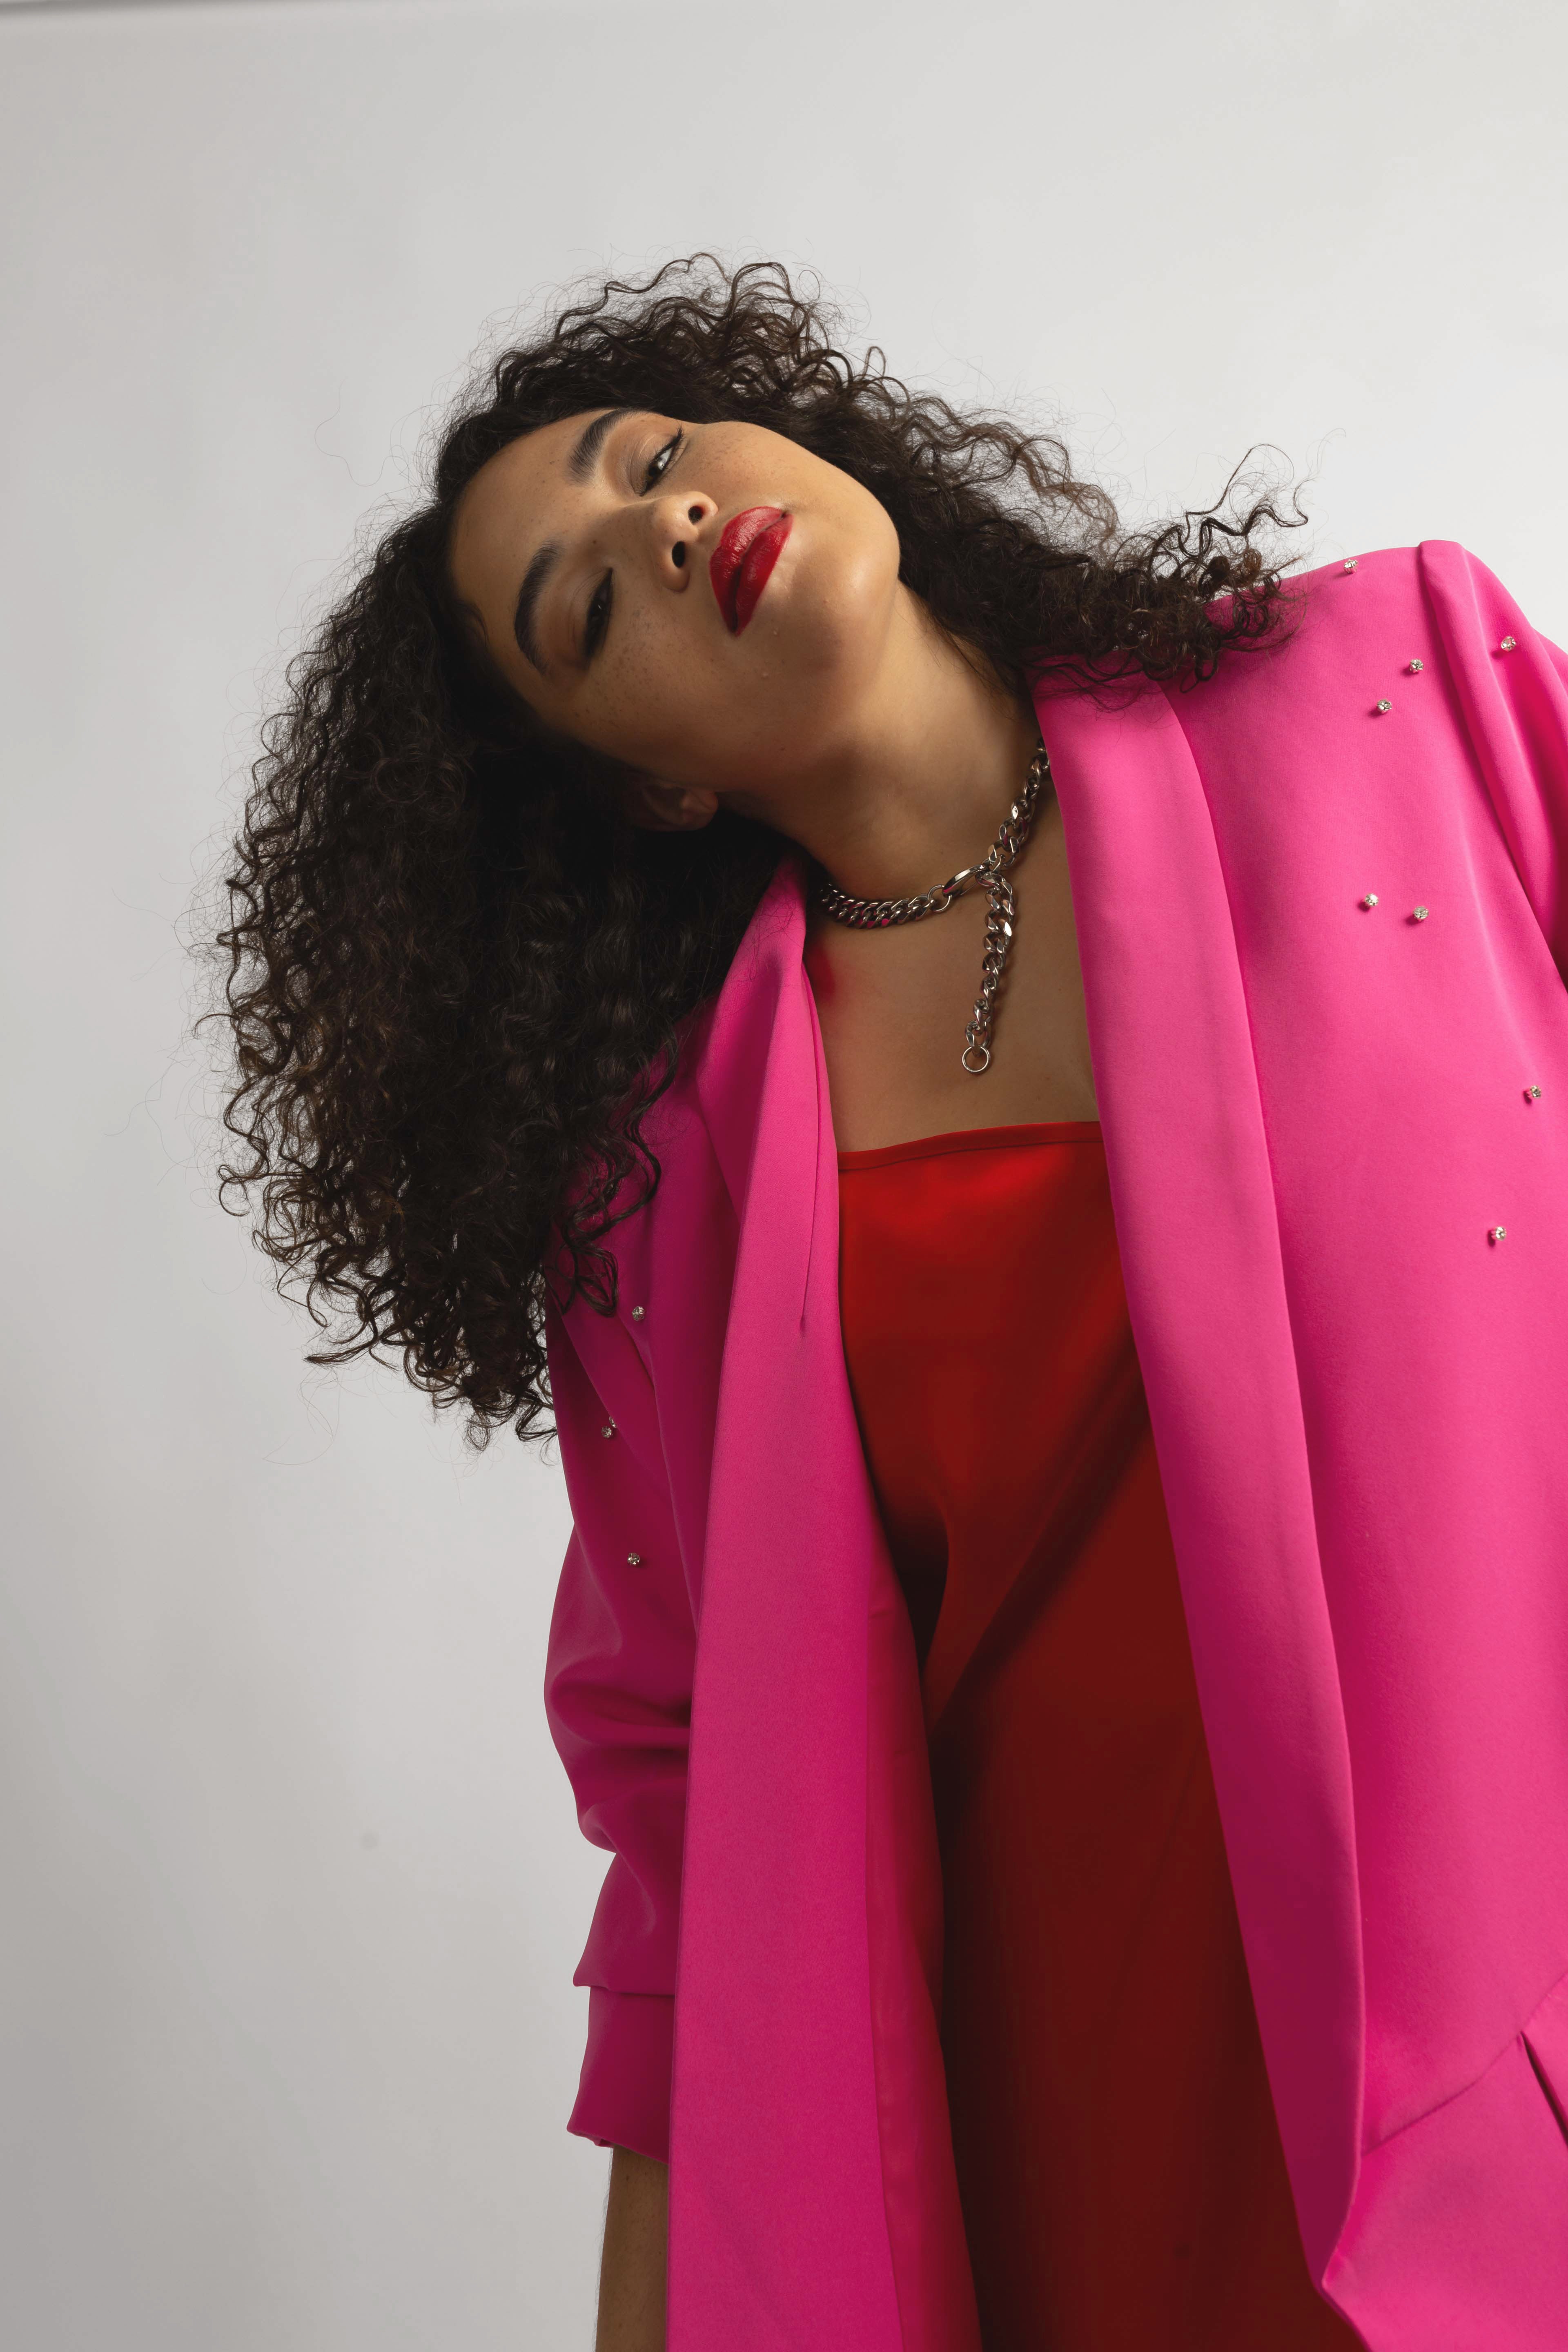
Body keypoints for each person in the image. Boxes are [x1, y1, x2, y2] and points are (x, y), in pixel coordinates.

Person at [216, 257, 1568, 2352]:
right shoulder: (659, 1199)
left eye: (655, 459)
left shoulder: (1407, 681)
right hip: (1069, 2143)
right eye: (592, 613)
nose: (664, 528)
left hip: (1500, 2033)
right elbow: (685, 1833)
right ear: (643, 786)